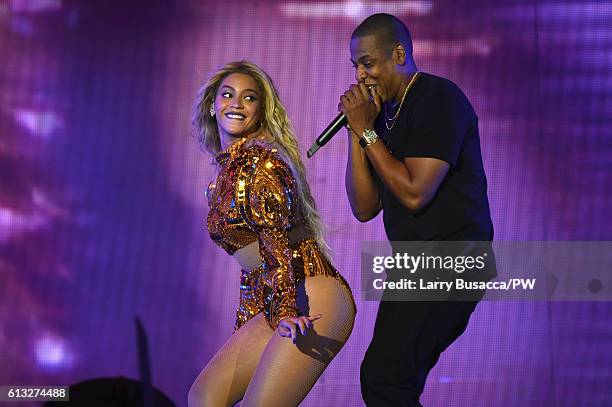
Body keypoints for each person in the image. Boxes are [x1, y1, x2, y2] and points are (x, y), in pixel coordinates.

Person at [340, 14, 494, 406]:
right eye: (356, 65)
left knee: (386, 380)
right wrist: (358, 133)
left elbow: (413, 193)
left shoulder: (437, 98)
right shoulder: (382, 116)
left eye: (368, 63)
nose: (360, 75)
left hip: (451, 258)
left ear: (400, 53)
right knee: (385, 380)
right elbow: (364, 207)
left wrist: (368, 132)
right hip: (414, 264)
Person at [188, 61, 356, 407]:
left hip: (310, 294)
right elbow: (254, 272)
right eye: (228, 95)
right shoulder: (219, 180)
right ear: (212, 104)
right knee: (204, 398)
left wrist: (284, 310)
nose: (236, 103)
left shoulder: (262, 162)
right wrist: (247, 326)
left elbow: (274, 243)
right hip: (276, 298)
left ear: (260, 112)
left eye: (249, 98)